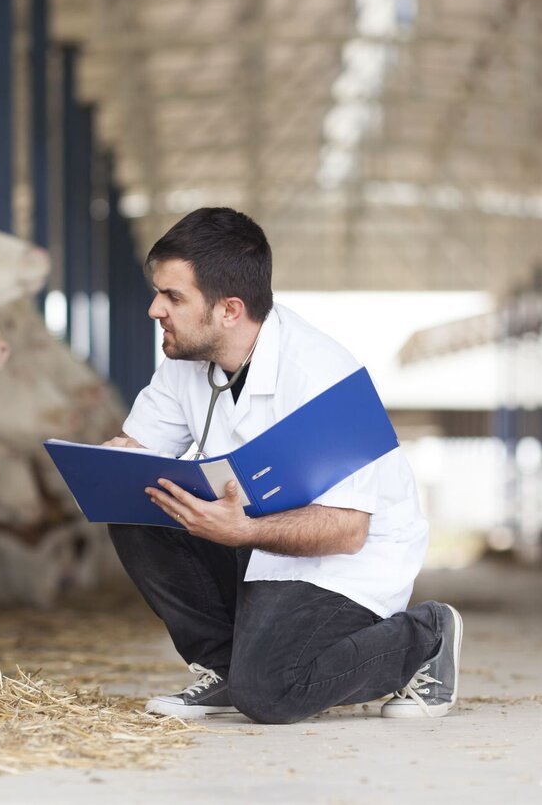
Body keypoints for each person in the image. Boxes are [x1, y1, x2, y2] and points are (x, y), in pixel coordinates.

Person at [104, 207, 461, 724]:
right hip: (248, 535)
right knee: (135, 504)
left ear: (230, 309)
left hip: (342, 562)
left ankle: (425, 637)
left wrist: (240, 530)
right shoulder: (185, 362)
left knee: (271, 693)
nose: (154, 309)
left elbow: (347, 530)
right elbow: (137, 451)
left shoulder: (322, 376)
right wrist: (110, 465)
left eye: (173, 297)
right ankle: (225, 665)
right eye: (159, 293)